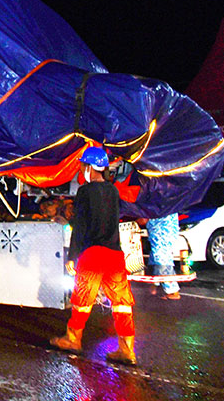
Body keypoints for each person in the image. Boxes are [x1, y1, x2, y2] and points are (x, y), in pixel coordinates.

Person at [51, 146, 137, 365]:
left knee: (82, 300)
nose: (81, 169)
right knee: (121, 303)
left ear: (89, 167)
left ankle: (73, 340)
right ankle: (127, 350)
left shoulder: (85, 192)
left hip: (92, 255)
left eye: (82, 165)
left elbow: (80, 226)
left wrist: (72, 255)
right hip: (115, 255)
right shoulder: (113, 191)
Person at [146, 213, 181, 299]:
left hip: (161, 231)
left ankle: (172, 290)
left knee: (162, 259)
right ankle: (155, 284)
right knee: (157, 258)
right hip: (162, 230)